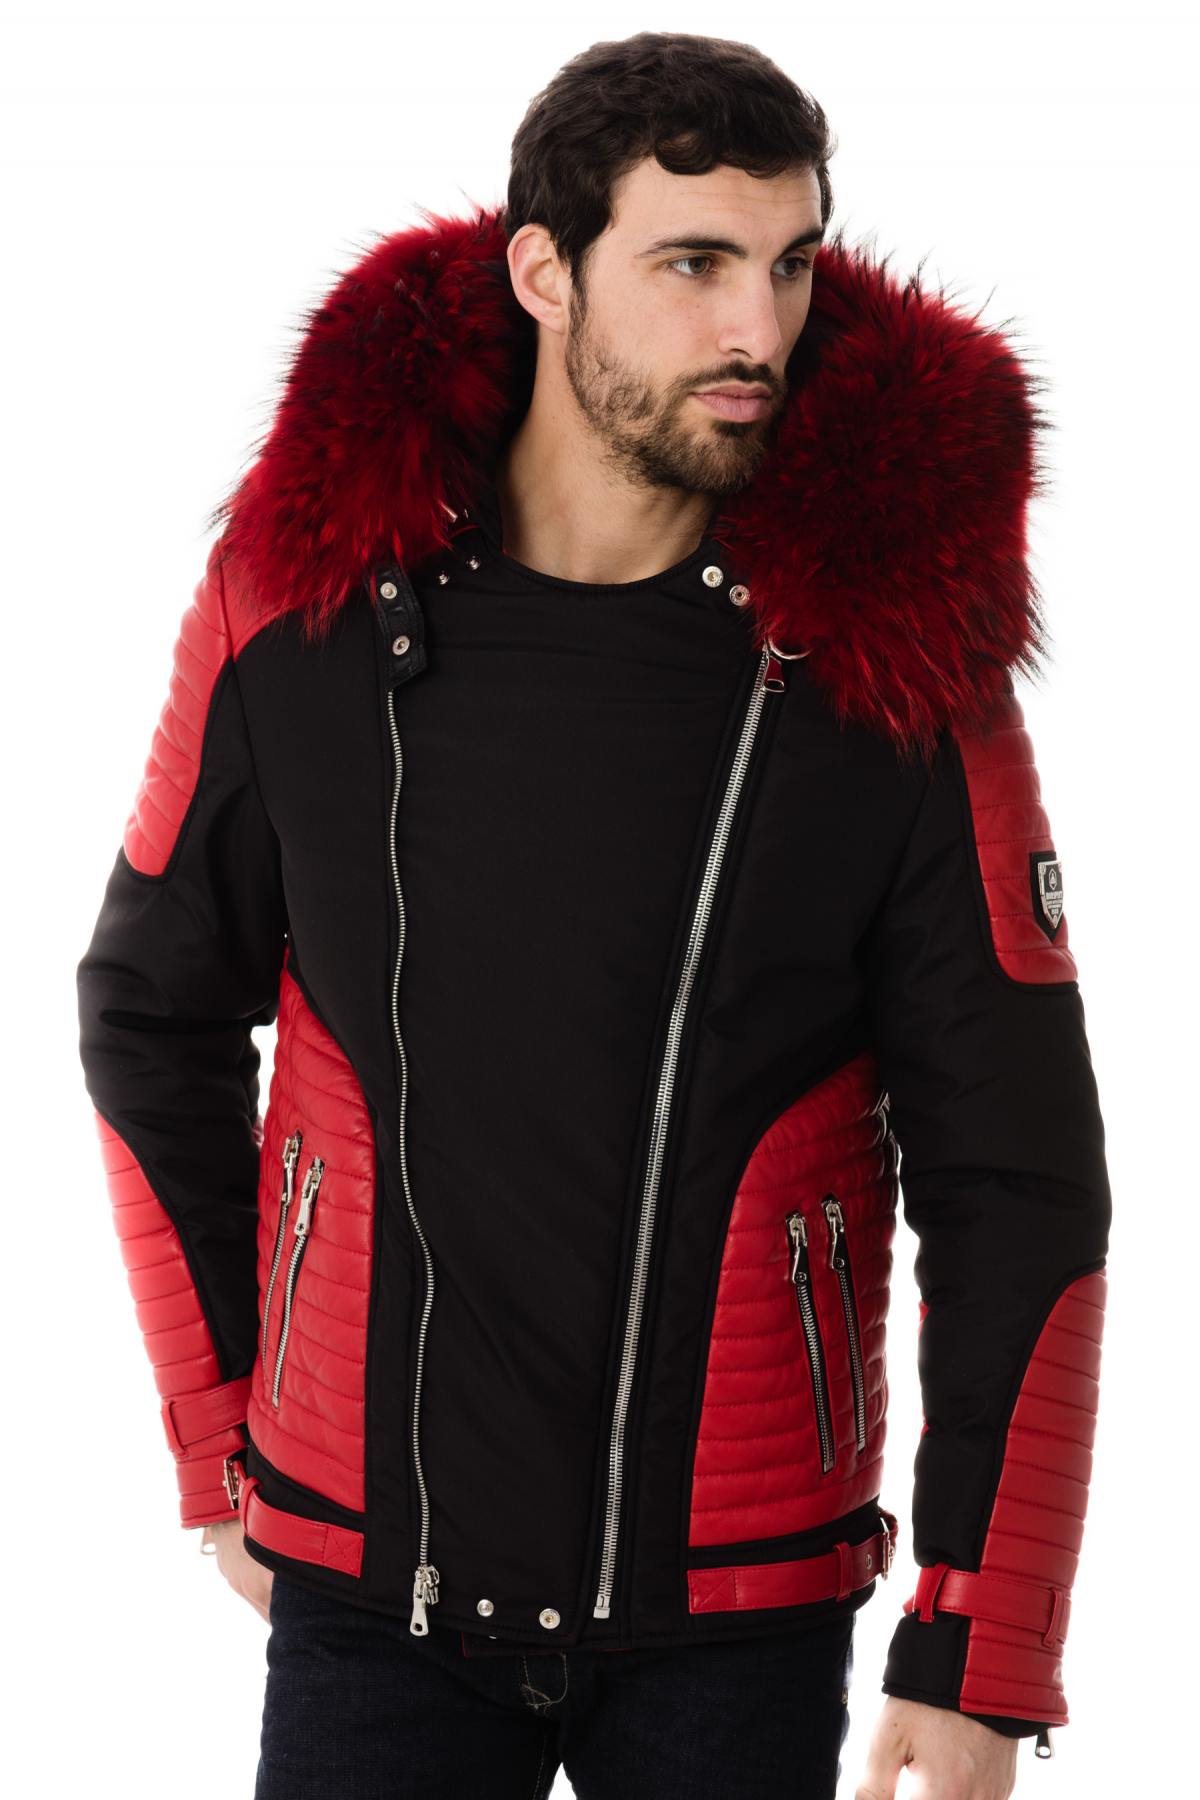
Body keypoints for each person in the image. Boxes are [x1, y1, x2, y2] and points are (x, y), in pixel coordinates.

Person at [75, 29, 1111, 1800]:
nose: (759, 329)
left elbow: (1018, 1171)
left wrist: (977, 1643)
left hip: (736, 1613)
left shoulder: (891, 667)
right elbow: (150, 1011)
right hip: (368, 1596)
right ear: (544, 271)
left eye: (790, 263)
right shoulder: (299, 607)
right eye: (694, 263)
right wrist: (224, 1440)